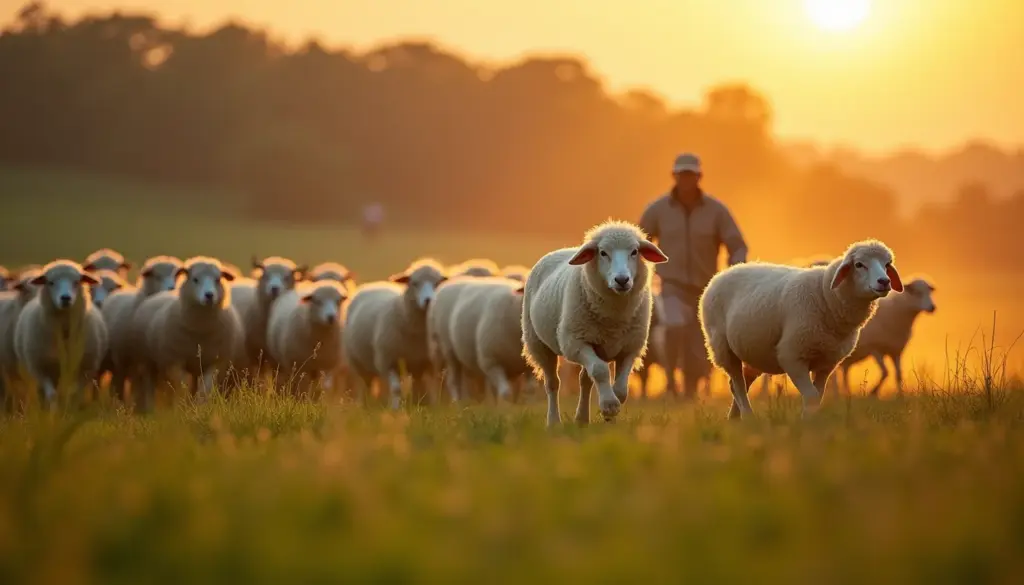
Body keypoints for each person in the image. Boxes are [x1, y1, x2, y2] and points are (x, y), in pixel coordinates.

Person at [638, 153, 747, 399]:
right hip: (672, 284)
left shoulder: (716, 211)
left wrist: (736, 271)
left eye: (691, 174)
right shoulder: (658, 209)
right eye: (682, 174)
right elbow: (638, 241)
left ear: (699, 177)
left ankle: (691, 390)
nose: (686, 179)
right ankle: (669, 381)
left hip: (706, 286)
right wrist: (637, 271)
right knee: (675, 326)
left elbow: (737, 244)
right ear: (674, 176)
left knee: (700, 341)